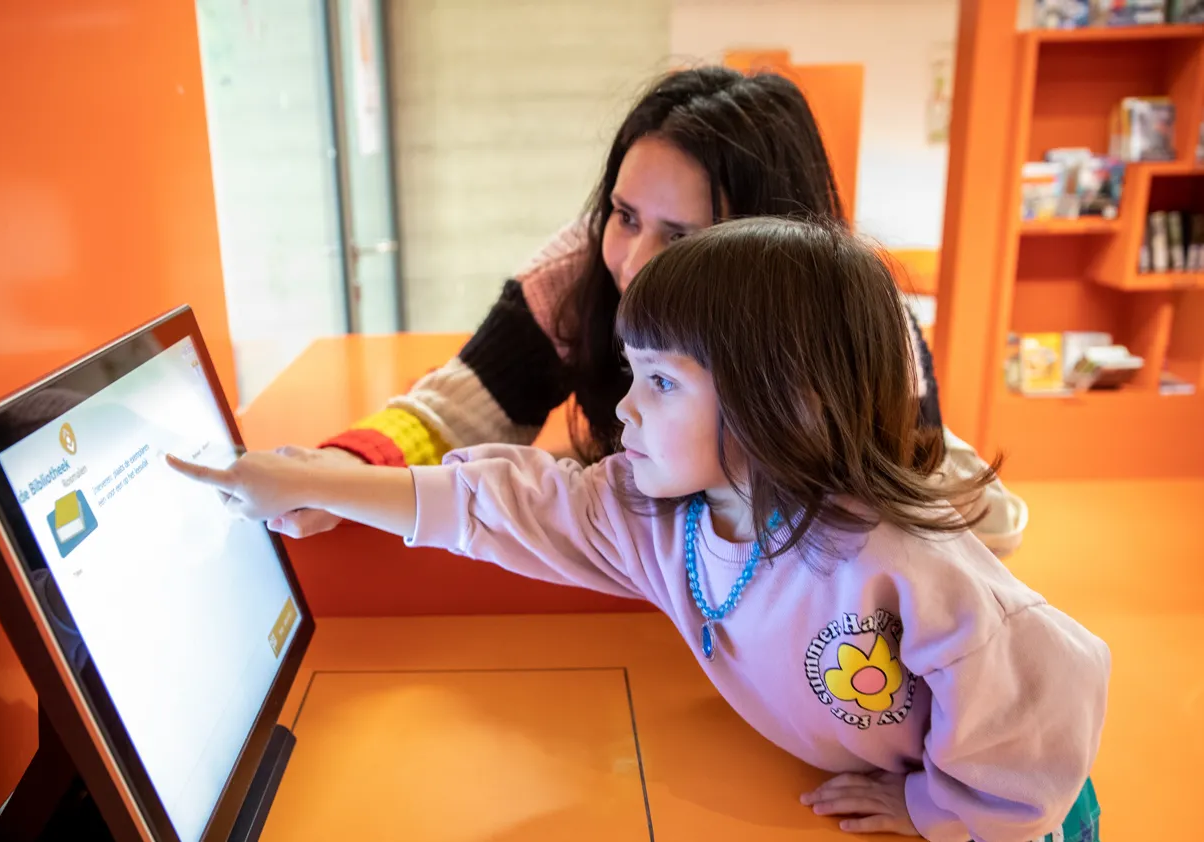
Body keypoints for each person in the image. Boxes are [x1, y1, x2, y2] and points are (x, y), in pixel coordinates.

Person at [169, 218, 1107, 841]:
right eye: (632, 374)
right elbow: (501, 505)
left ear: (784, 397)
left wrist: (936, 808)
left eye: (660, 382)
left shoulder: (905, 564)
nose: (625, 410)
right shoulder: (662, 520)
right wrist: (307, 479)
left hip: (1022, 813)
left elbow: (1048, 696)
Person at [274, 66, 1027, 557]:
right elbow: (454, 412)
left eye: (682, 237)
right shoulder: (575, 276)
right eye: (624, 215)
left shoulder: (858, 323)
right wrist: (344, 468)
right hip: (626, 590)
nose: (633, 262)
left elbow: (915, 514)